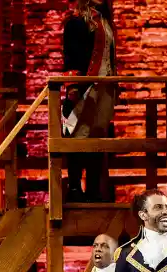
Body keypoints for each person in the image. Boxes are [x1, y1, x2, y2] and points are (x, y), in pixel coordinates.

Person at [61, 0, 117, 202]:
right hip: (88, 85)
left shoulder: (106, 22)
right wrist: (74, 84)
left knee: (98, 136)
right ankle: (75, 187)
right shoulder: (77, 22)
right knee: (79, 134)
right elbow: (71, 55)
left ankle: (94, 188)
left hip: (105, 86)